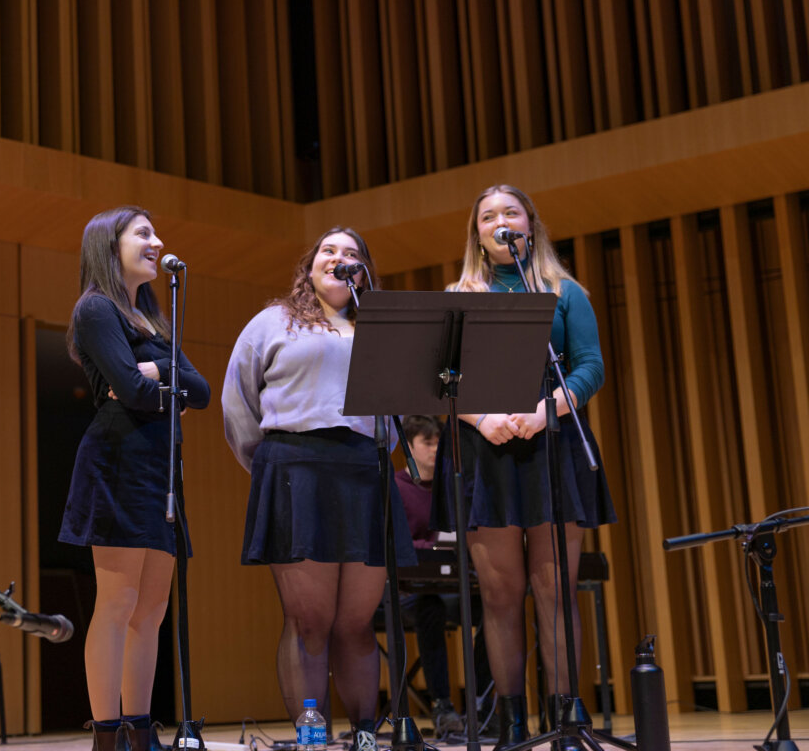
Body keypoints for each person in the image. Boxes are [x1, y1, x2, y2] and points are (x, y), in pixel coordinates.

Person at [432, 184, 615, 750]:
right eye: (487, 215)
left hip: (551, 438)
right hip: (483, 446)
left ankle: (565, 715)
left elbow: (589, 366)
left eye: (510, 212)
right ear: (478, 236)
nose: (500, 221)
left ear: (528, 225)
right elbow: (439, 379)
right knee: (502, 594)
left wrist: (545, 411)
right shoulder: (458, 294)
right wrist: (483, 419)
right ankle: (511, 721)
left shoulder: (565, 291)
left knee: (555, 587)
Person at [222, 227, 415, 751]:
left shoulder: (377, 330)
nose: (339, 258)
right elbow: (238, 401)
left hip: (363, 472)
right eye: (329, 250)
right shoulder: (273, 321)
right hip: (295, 469)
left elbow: (396, 413)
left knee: (355, 622)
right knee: (309, 621)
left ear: (364, 272)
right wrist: (267, 468)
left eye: (352, 254)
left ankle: (365, 735)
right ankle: (311, 735)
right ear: (311, 266)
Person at [60, 206, 211, 751]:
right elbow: (133, 388)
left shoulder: (153, 318)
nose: (157, 241)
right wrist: (157, 380)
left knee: (152, 610)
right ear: (109, 244)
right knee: (118, 604)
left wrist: (159, 371)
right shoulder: (97, 309)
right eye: (143, 233)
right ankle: (106, 734)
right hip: (118, 460)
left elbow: (203, 390)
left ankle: (141, 731)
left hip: (159, 464)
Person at [393, 416, 490, 740]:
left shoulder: (453, 487)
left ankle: (484, 704)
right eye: (428, 443)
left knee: (492, 610)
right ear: (408, 446)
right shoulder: (396, 486)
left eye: (439, 443)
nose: (436, 450)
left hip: (453, 585)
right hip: (410, 592)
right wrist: (436, 544)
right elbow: (398, 543)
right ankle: (443, 705)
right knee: (429, 607)